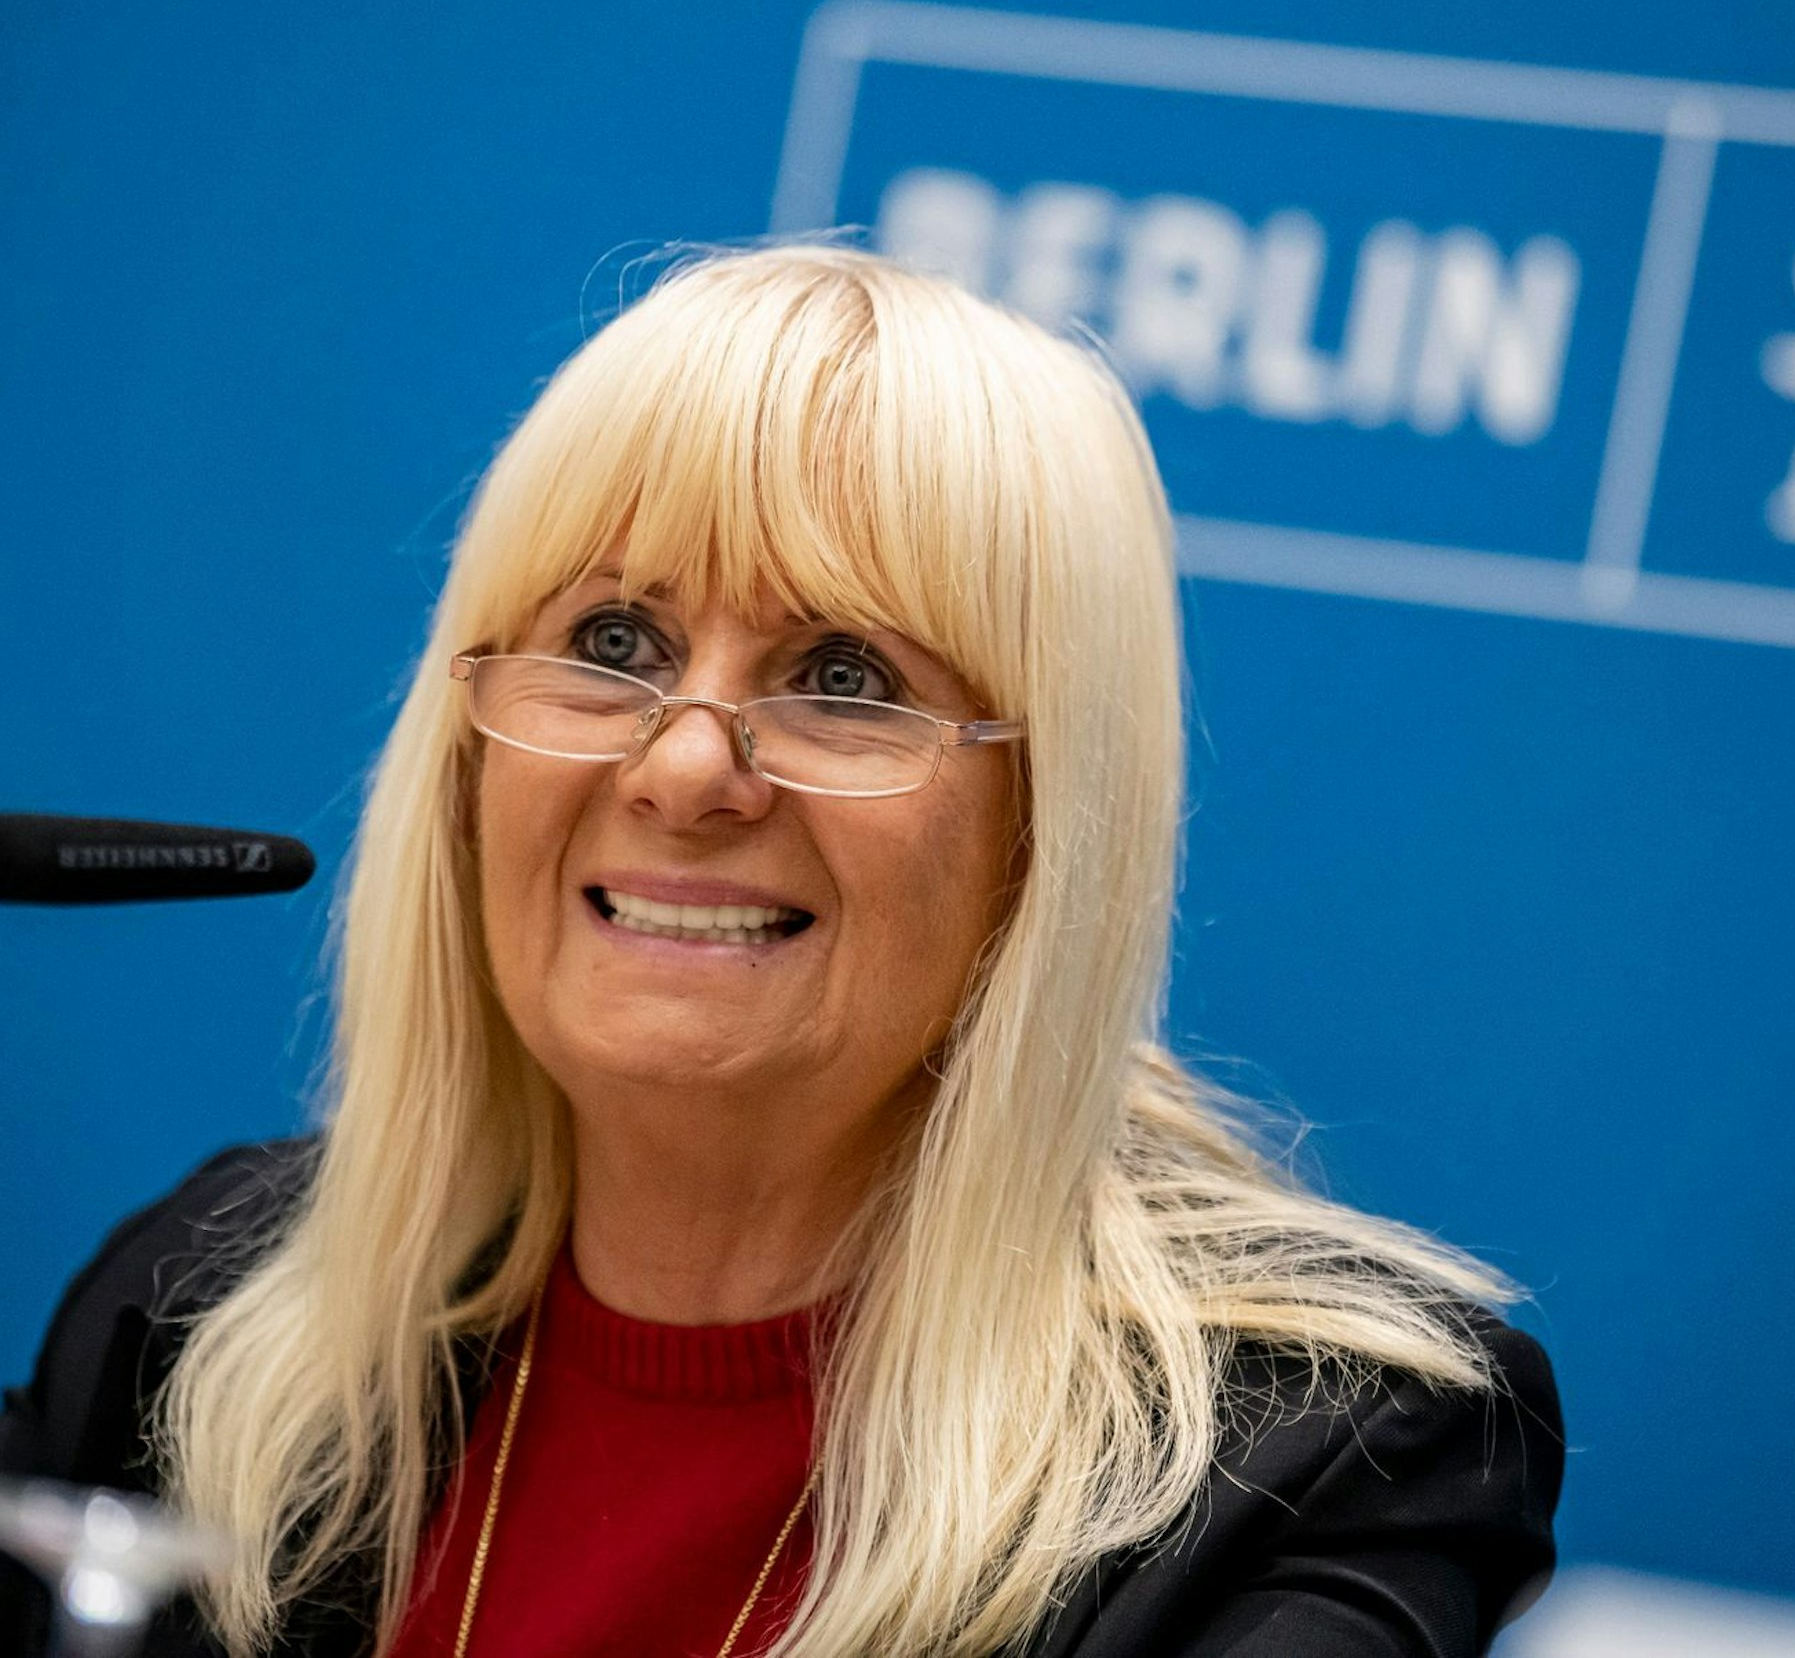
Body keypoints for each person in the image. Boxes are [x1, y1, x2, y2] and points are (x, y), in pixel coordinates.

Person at [1, 245, 1562, 1657]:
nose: (685, 772)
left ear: (1047, 826)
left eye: (842, 674)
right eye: (612, 645)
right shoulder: (204, 1314)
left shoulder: (1319, 1461)